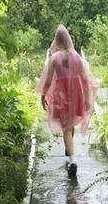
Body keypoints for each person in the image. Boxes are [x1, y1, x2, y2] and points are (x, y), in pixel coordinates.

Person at [36, 24, 98, 177]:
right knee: (70, 124)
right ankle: (69, 150)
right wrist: (87, 98)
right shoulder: (76, 57)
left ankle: (73, 159)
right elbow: (84, 78)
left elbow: (49, 80)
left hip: (60, 95)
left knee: (66, 128)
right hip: (76, 93)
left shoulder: (54, 58)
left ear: (57, 42)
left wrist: (43, 95)